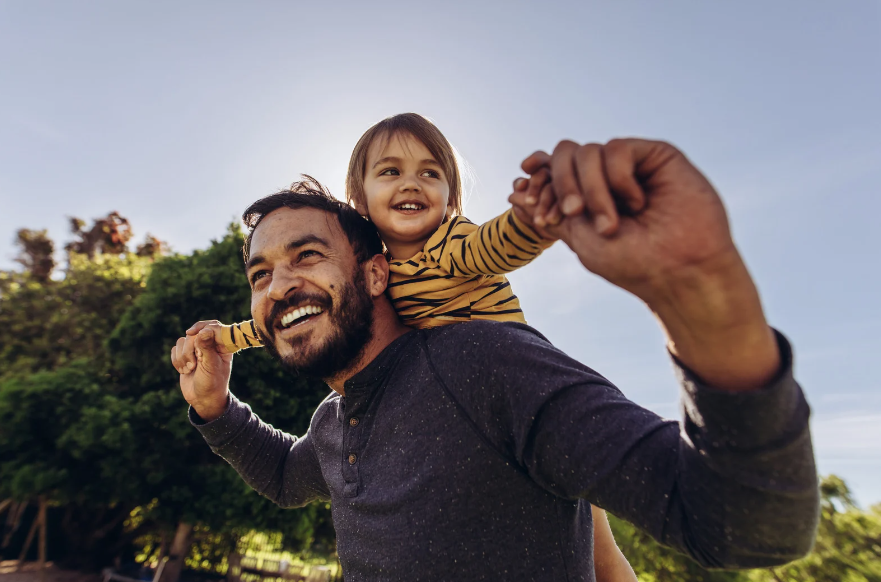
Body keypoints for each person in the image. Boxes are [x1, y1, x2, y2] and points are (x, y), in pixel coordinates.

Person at [171, 138, 820, 581]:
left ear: (374, 274)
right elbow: (287, 479)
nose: (279, 285)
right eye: (260, 274)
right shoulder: (335, 423)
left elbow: (744, 526)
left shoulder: (482, 364)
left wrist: (704, 295)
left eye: (306, 256)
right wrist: (214, 407)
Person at [178, 113, 636, 580]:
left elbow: (495, 246)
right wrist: (219, 363)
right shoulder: (365, 294)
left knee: (602, 553)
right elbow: (273, 329)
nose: (411, 184)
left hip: (515, 400)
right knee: (594, 543)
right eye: (391, 172)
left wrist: (536, 220)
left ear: (450, 198)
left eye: (430, 173)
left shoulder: (449, 246)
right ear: (360, 202)